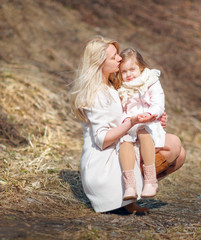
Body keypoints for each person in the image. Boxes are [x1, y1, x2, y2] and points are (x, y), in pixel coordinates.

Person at [69, 36, 186, 214]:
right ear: (99, 63)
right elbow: (102, 140)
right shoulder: (95, 95)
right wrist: (132, 122)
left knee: (180, 153)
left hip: (121, 146)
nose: (119, 58)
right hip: (104, 163)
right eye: (113, 56)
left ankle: (134, 194)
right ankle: (123, 193)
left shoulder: (112, 85)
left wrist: (154, 119)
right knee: (172, 145)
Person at [118, 48, 165, 201]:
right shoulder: (121, 88)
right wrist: (126, 120)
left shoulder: (150, 81)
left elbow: (159, 103)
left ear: (142, 67)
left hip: (148, 121)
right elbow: (121, 109)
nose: (128, 74)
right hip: (130, 123)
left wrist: (151, 114)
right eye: (124, 71)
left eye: (132, 69)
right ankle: (130, 185)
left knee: (143, 132)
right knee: (125, 141)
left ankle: (150, 180)